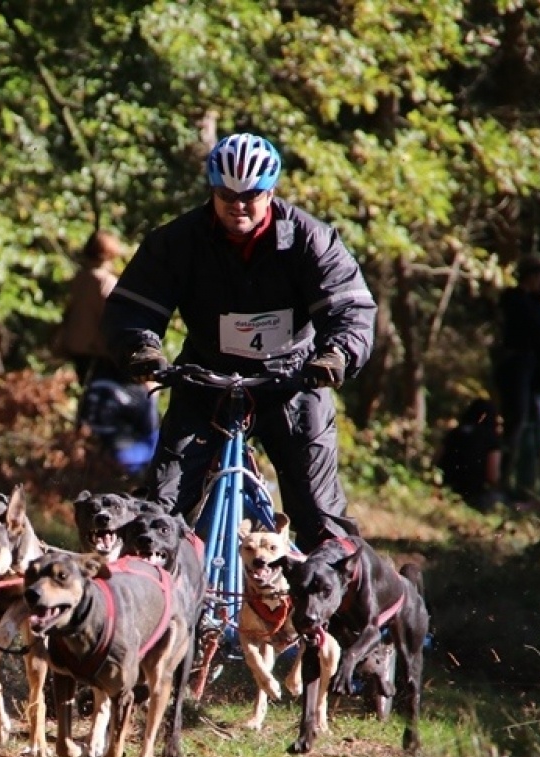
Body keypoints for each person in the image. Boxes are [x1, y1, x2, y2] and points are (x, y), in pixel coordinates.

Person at [101, 132, 376, 551]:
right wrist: (141, 346)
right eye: (226, 194)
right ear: (212, 189)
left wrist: (337, 353)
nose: (238, 204)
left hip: (294, 381)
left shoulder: (309, 239)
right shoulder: (178, 241)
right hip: (205, 379)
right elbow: (133, 305)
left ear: (271, 191)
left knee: (321, 516)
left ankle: (336, 610)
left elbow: (350, 308)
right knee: (160, 509)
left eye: (251, 194)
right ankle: (160, 605)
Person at [493, 255, 540, 500]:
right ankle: (503, 481)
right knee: (517, 426)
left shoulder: (535, 305)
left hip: (534, 379)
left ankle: (525, 486)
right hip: (519, 374)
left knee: (535, 432)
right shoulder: (515, 301)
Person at [54, 230, 125, 384]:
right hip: (99, 352)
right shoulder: (105, 281)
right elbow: (112, 317)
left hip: (78, 348)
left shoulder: (80, 277)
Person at [437, 399, 504, 511]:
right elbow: (493, 476)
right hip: (474, 496)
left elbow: (436, 459)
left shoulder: (454, 433)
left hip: (446, 487)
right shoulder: (491, 440)